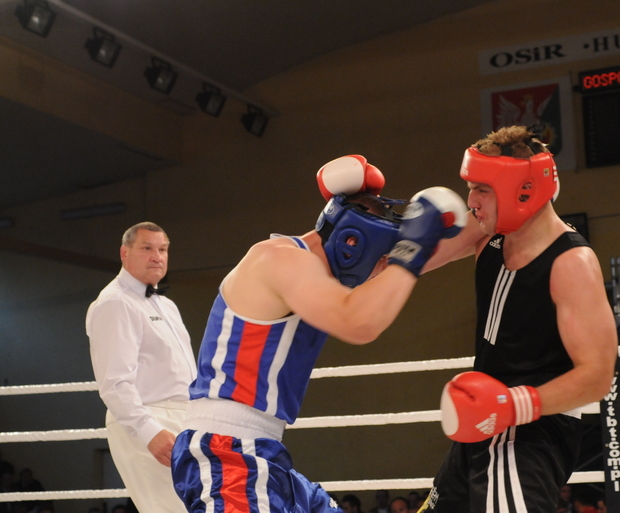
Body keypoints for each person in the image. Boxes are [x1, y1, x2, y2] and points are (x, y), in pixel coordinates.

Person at [171, 155, 467, 512]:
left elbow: (429, 259)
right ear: (352, 242)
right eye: (382, 257)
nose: (383, 268)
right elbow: (359, 322)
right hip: (227, 453)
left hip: (263, 453)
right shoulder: (279, 259)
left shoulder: (321, 278)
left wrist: (492, 209)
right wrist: (410, 251)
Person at [418, 126, 618, 512]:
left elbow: (597, 376)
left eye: (482, 189)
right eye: (471, 188)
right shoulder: (487, 232)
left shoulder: (571, 263)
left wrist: (512, 405)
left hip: (531, 433)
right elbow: (407, 259)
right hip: (482, 419)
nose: (471, 201)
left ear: (522, 191)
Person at [86, 222, 196, 513]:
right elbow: (114, 383)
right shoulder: (115, 303)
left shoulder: (166, 305)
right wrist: (149, 432)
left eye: (163, 250)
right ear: (125, 253)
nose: (157, 256)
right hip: (150, 418)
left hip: (185, 417)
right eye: (147, 248)